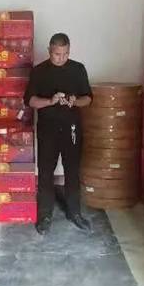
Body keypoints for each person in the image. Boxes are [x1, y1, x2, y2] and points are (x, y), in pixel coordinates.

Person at [23, 33, 93, 235]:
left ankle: (74, 212)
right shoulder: (39, 71)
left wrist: (75, 101)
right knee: (46, 172)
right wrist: (50, 101)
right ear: (49, 51)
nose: (61, 58)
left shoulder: (78, 69)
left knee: (72, 170)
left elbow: (88, 98)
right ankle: (45, 215)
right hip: (48, 129)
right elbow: (30, 101)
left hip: (72, 129)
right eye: (56, 54)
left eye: (65, 54)